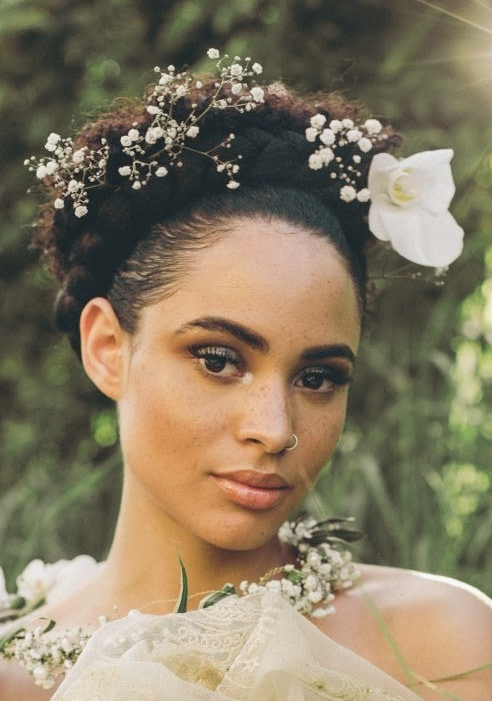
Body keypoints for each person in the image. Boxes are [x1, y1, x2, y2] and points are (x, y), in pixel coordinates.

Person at [0, 49, 491, 701]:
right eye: (219, 359)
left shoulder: (443, 641)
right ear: (107, 348)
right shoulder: (18, 673)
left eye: (317, 376)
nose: (275, 429)